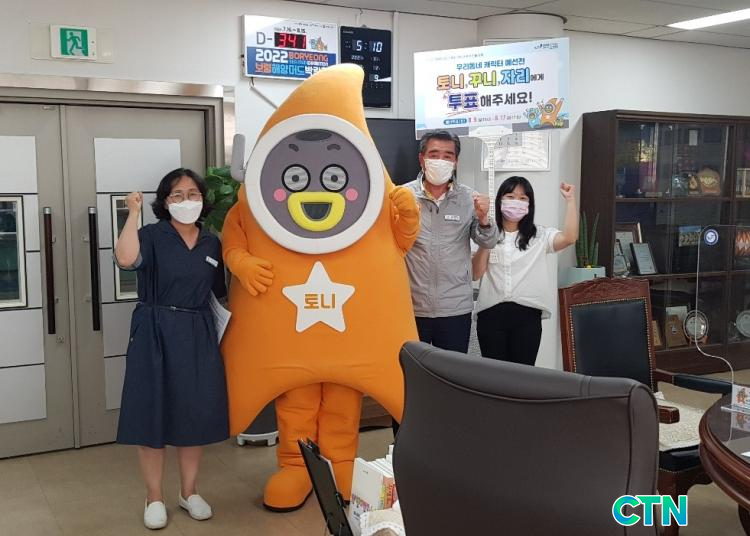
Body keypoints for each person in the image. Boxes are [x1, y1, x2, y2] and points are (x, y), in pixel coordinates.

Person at [114, 168, 229, 530]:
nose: (186, 201)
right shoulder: (152, 235)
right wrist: (133, 213)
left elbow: (220, 294)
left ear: (203, 200)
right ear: (165, 203)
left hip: (198, 332)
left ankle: (189, 492)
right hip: (155, 329)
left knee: (193, 413)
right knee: (152, 411)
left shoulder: (211, 243)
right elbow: (125, 259)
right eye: (177, 195)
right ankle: (154, 497)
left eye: (193, 194)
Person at [404, 130, 500, 352]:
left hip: (455, 308)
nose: (441, 160)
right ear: (422, 159)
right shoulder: (402, 196)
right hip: (411, 306)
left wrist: (484, 218)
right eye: (434, 154)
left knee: (451, 371)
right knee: (410, 369)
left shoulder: (469, 198)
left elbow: (488, 241)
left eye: (448, 156)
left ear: (456, 162)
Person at [472, 176, 578, 366]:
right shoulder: (486, 232)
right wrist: (488, 237)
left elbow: (569, 237)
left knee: (523, 375)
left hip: (527, 315)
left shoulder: (540, 236)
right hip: (491, 313)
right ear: (500, 201)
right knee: (493, 375)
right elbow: (476, 274)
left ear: (529, 205)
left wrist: (570, 200)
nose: (516, 202)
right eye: (510, 196)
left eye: (523, 198)